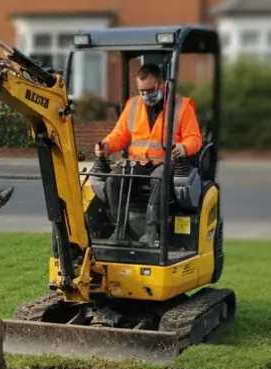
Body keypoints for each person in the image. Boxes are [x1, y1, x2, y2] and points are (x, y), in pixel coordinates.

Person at [87, 63, 203, 240]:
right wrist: (106, 145)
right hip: (137, 164)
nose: (145, 95)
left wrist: (183, 147)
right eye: (141, 91)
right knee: (112, 180)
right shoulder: (133, 105)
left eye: (150, 90)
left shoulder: (182, 106)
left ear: (161, 84)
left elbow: (194, 138)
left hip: (167, 164)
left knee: (157, 178)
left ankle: (151, 232)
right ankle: (120, 231)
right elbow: (120, 134)